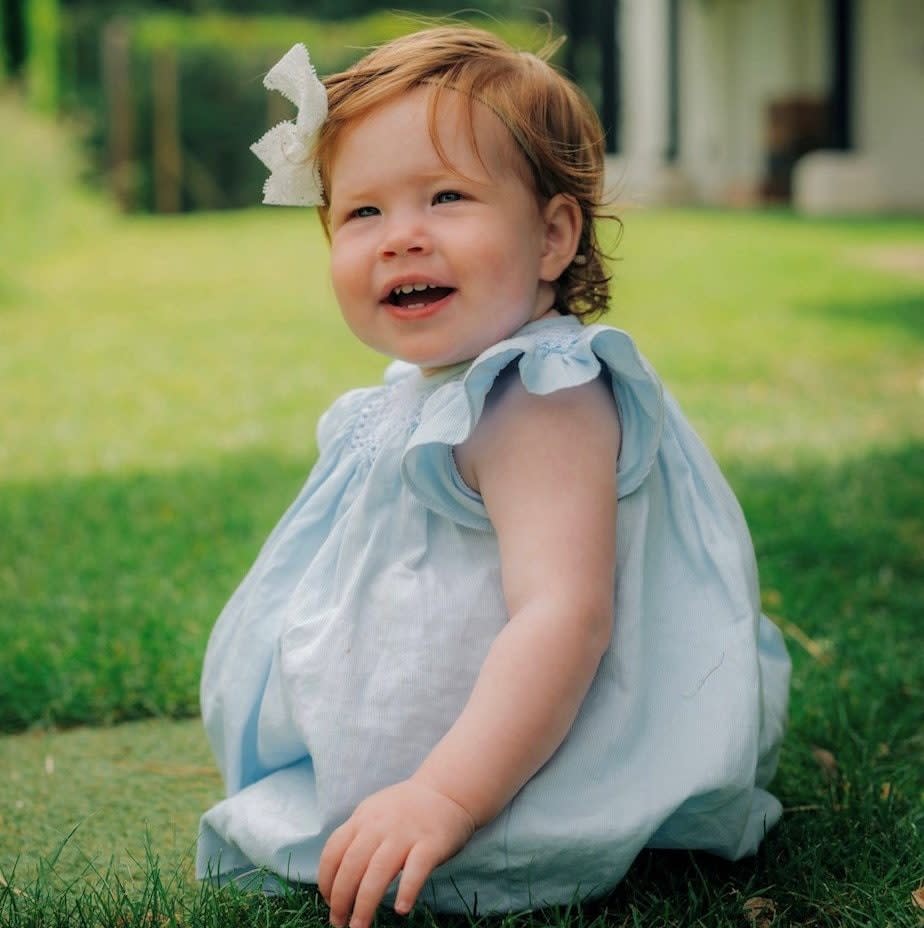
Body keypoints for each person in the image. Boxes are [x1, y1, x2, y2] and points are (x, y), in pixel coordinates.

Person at [196, 26, 791, 928]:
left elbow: (566, 614)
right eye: (363, 213)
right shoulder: (425, 390)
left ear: (552, 235)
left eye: (445, 197)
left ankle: (463, 811)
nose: (402, 238)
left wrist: (443, 794)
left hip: (509, 767)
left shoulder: (542, 397)